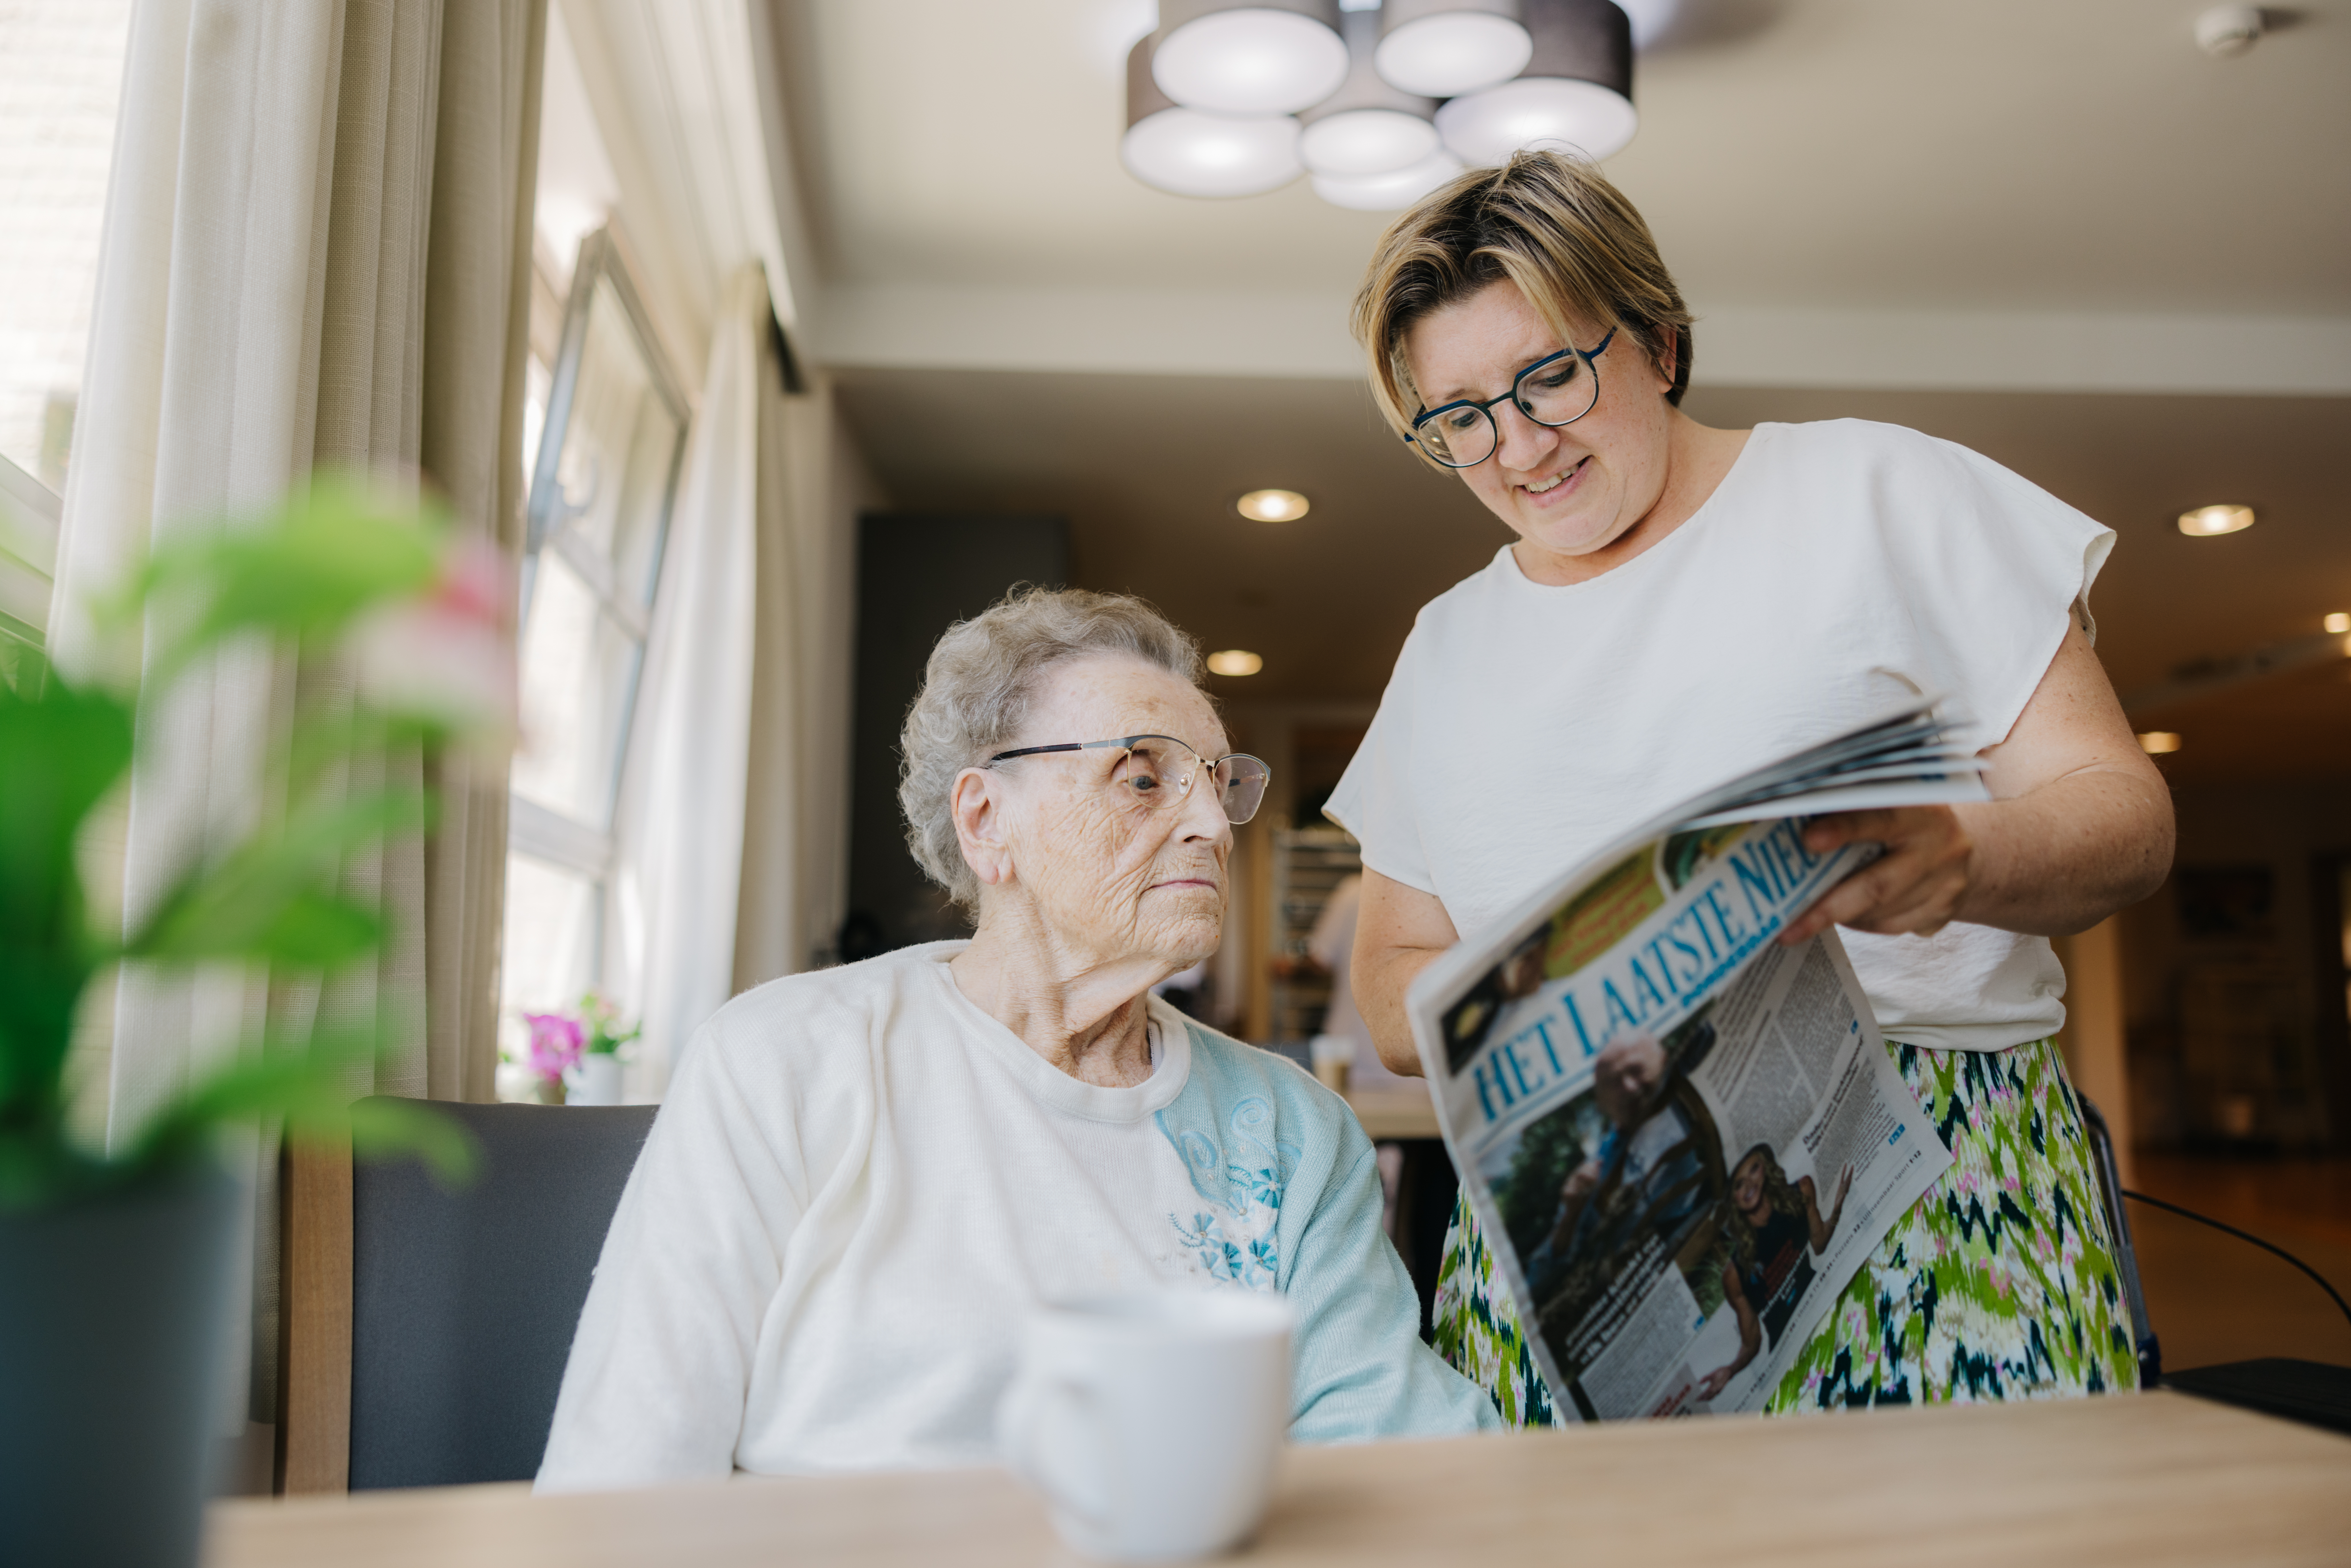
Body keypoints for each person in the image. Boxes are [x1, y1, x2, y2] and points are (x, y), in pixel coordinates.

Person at [1328, 152, 2172, 1420]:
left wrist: (1967, 858)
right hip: (1590, 1227)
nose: (1516, 446)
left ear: (1659, 342)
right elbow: (1393, 967)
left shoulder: (1879, 490)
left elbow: (2127, 816)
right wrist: (1537, 1001)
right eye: (1459, 417)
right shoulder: (1446, 643)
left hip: (1938, 1174)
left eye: (1548, 375)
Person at [537, 588, 1499, 1489]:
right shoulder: (785, 1059)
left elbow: (1402, 1458)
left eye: (1217, 778)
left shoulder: (1293, 1129)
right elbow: (627, 1470)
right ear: (988, 820)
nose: (1210, 820)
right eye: (1143, 774)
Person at [1695, 1148, 1853, 1402]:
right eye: (1738, 1184)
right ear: (1732, 1199)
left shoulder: (1801, 1192)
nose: (1749, 1185)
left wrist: (1836, 1210)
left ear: (1765, 1167)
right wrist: (1731, 1370)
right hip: (1794, 1356)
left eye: (1754, 1169)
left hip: (1830, 1303)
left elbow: (1819, 1243)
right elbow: (1752, 1342)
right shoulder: (1735, 1276)